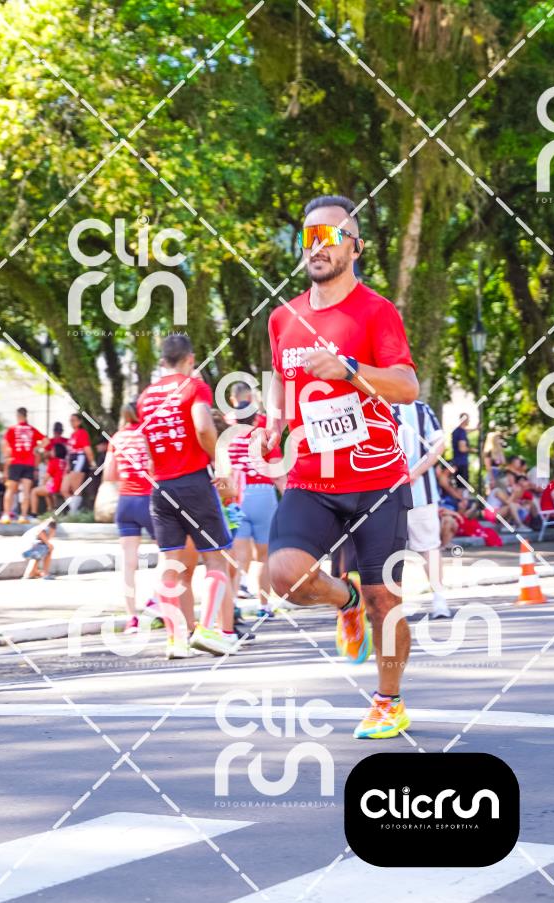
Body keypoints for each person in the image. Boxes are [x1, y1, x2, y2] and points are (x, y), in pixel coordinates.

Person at [255, 194, 418, 740]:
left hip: (377, 481)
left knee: (384, 599)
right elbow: (280, 381)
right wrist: (270, 424)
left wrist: (350, 369)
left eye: (330, 236)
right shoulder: (283, 318)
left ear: (356, 247)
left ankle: (389, 701)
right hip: (312, 479)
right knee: (283, 576)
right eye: (309, 237)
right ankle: (345, 602)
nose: (317, 246)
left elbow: (407, 386)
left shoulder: (376, 311)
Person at [137, 333, 239, 658]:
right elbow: (204, 428)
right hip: (193, 482)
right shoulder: (194, 387)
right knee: (216, 558)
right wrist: (220, 463)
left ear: (162, 361)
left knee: (170, 563)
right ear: (190, 359)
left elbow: (148, 447)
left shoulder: (145, 398)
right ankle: (207, 631)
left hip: (160, 487)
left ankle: (176, 639)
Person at [103, 403, 160, 636]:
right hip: (149, 500)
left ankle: (131, 618)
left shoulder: (116, 438)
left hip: (125, 502)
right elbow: (155, 467)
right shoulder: (148, 434)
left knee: (128, 565)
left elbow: (109, 474)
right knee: (169, 554)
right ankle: (156, 600)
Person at [225, 401, 285, 618]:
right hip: (263, 494)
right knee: (263, 556)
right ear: (255, 418)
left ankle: (232, 606)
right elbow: (278, 473)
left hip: (236, 497)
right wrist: (289, 499)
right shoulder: (264, 438)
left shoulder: (228, 440)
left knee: (238, 556)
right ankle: (264, 606)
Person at [395, 400, 451, 619]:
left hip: (387, 493)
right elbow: (439, 444)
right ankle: (439, 600)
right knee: (429, 547)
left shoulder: (373, 404)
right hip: (420, 491)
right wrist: (416, 472)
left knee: (387, 550)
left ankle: (391, 605)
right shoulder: (420, 408)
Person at [1, 408, 45, 524]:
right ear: (26, 416)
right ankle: (23, 516)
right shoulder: (32, 429)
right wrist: (37, 448)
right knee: (26, 491)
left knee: (10, 490)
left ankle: (6, 515)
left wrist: (7, 456)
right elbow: (46, 440)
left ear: (18, 416)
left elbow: (4, 443)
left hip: (15, 462)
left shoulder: (12, 429)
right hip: (29, 463)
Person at [61, 413, 96, 512]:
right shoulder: (72, 434)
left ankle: (74, 511)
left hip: (79, 459)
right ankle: (74, 509)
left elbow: (87, 448)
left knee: (75, 487)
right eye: (70, 420)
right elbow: (69, 452)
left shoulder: (82, 433)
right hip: (71, 461)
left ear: (79, 422)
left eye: (74, 420)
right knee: (64, 489)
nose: (72, 422)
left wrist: (92, 462)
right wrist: (68, 466)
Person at [31, 443, 67, 516]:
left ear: (57, 452)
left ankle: (34, 514)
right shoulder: (65, 462)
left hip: (56, 487)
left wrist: (42, 485)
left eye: (52, 450)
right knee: (46, 489)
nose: (51, 452)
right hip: (64, 486)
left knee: (34, 491)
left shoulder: (53, 461)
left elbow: (46, 477)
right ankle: (51, 509)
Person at [451, 414, 471, 484]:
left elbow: (467, 431)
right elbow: (462, 449)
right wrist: (473, 450)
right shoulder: (462, 432)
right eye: (468, 419)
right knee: (463, 486)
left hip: (457, 462)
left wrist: (476, 429)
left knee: (459, 485)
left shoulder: (457, 431)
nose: (469, 421)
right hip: (462, 463)